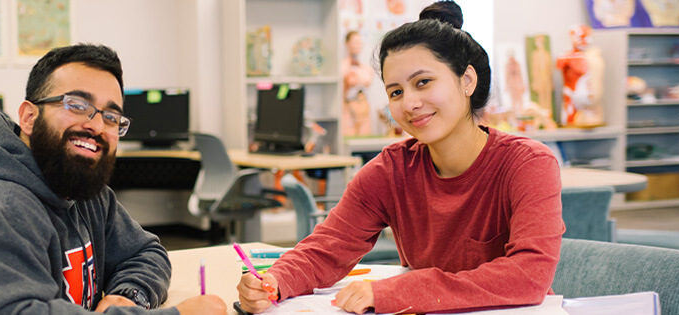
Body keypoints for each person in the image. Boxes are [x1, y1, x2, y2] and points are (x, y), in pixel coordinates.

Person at [237, 2, 564, 314]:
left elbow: (528, 276)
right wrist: (275, 281)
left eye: (423, 82)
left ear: (466, 80)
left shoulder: (527, 164)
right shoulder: (389, 170)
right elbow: (327, 249)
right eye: (395, 92)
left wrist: (393, 292)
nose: (409, 103)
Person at [0, 44, 225, 314]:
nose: (96, 126)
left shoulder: (81, 186)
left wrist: (129, 296)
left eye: (111, 116)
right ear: (28, 117)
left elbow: (145, 253)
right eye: (77, 105)